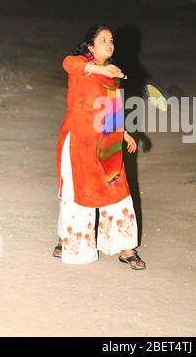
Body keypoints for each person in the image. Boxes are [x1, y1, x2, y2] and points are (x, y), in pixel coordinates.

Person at [53, 24, 146, 270]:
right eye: (103, 39)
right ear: (91, 47)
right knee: (78, 194)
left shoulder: (112, 75)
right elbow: (66, 62)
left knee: (117, 188)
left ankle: (126, 248)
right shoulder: (81, 65)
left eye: (111, 40)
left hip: (106, 141)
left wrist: (125, 133)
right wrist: (97, 67)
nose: (109, 43)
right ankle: (68, 240)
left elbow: (112, 110)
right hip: (80, 141)